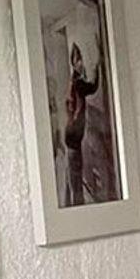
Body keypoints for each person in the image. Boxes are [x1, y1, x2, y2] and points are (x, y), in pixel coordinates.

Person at [61, 42, 100, 208]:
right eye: (78, 59)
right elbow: (93, 87)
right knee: (76, 183)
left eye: (81, 59)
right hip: (73, 138)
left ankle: (70, 207)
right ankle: (78, 210)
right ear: (73, 62)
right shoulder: (78, 82)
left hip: (70, 136)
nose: (81, 62)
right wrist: (97, 68)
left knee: (71, 179)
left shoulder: (74, 81)